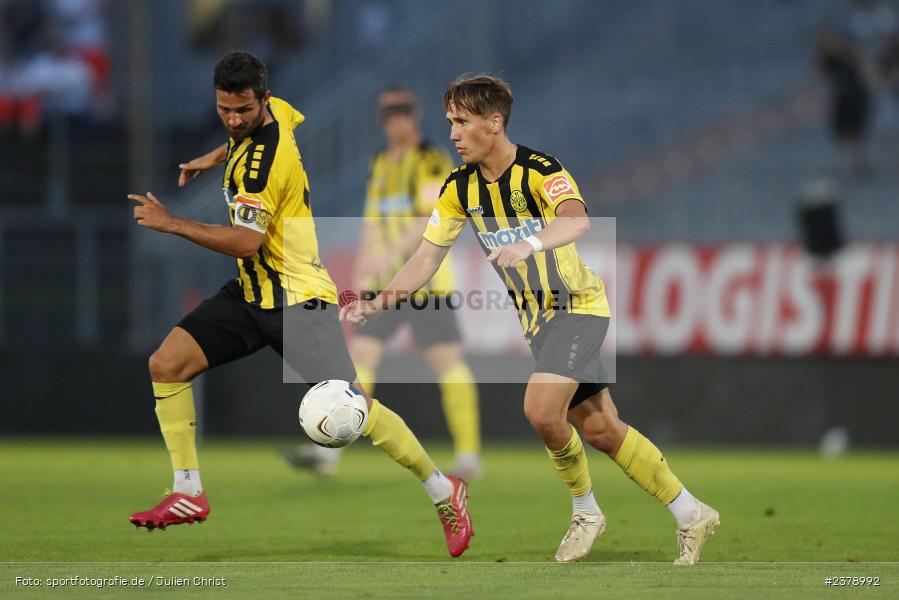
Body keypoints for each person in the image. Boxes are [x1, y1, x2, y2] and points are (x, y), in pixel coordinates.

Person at [342, 74, 719, 564]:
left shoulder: (541, 170)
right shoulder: (458, 188)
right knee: (603, 430)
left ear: (494, 122)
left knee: (541, 411)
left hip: (578, 307)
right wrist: (378, 300)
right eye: (449, 122)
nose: (452, 133)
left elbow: (577, 218)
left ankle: (586, 512)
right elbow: (426, 258)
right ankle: (692, 514)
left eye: (462, 121)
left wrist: (530, 242)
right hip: (538, 324)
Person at [126, 51, 473, 558]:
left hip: (298, 299)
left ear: (261, 99)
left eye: (243, 110)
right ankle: (187, 492)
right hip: (249, 294)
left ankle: (445, 490)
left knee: (356, 408)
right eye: (225, 110)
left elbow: (246, 242)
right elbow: (247, 138)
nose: (234, 119)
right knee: (166, 364)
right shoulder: (277, 113)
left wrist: (172, 222)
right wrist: (214, 154)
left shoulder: (264, 164)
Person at [282, 87, 481, 479]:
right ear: (383, 117)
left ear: (416, 115)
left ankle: (469, 456)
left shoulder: (430, 160)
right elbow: (373, 221)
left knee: (446, 362)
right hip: (383, 283)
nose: (397, 119)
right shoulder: (381, 162)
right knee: (362, 358)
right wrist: (362, 269)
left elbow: (429, 218)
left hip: (427, 283)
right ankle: (330, 451)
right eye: (391, 112)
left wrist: (388, 259)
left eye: (403, 111)